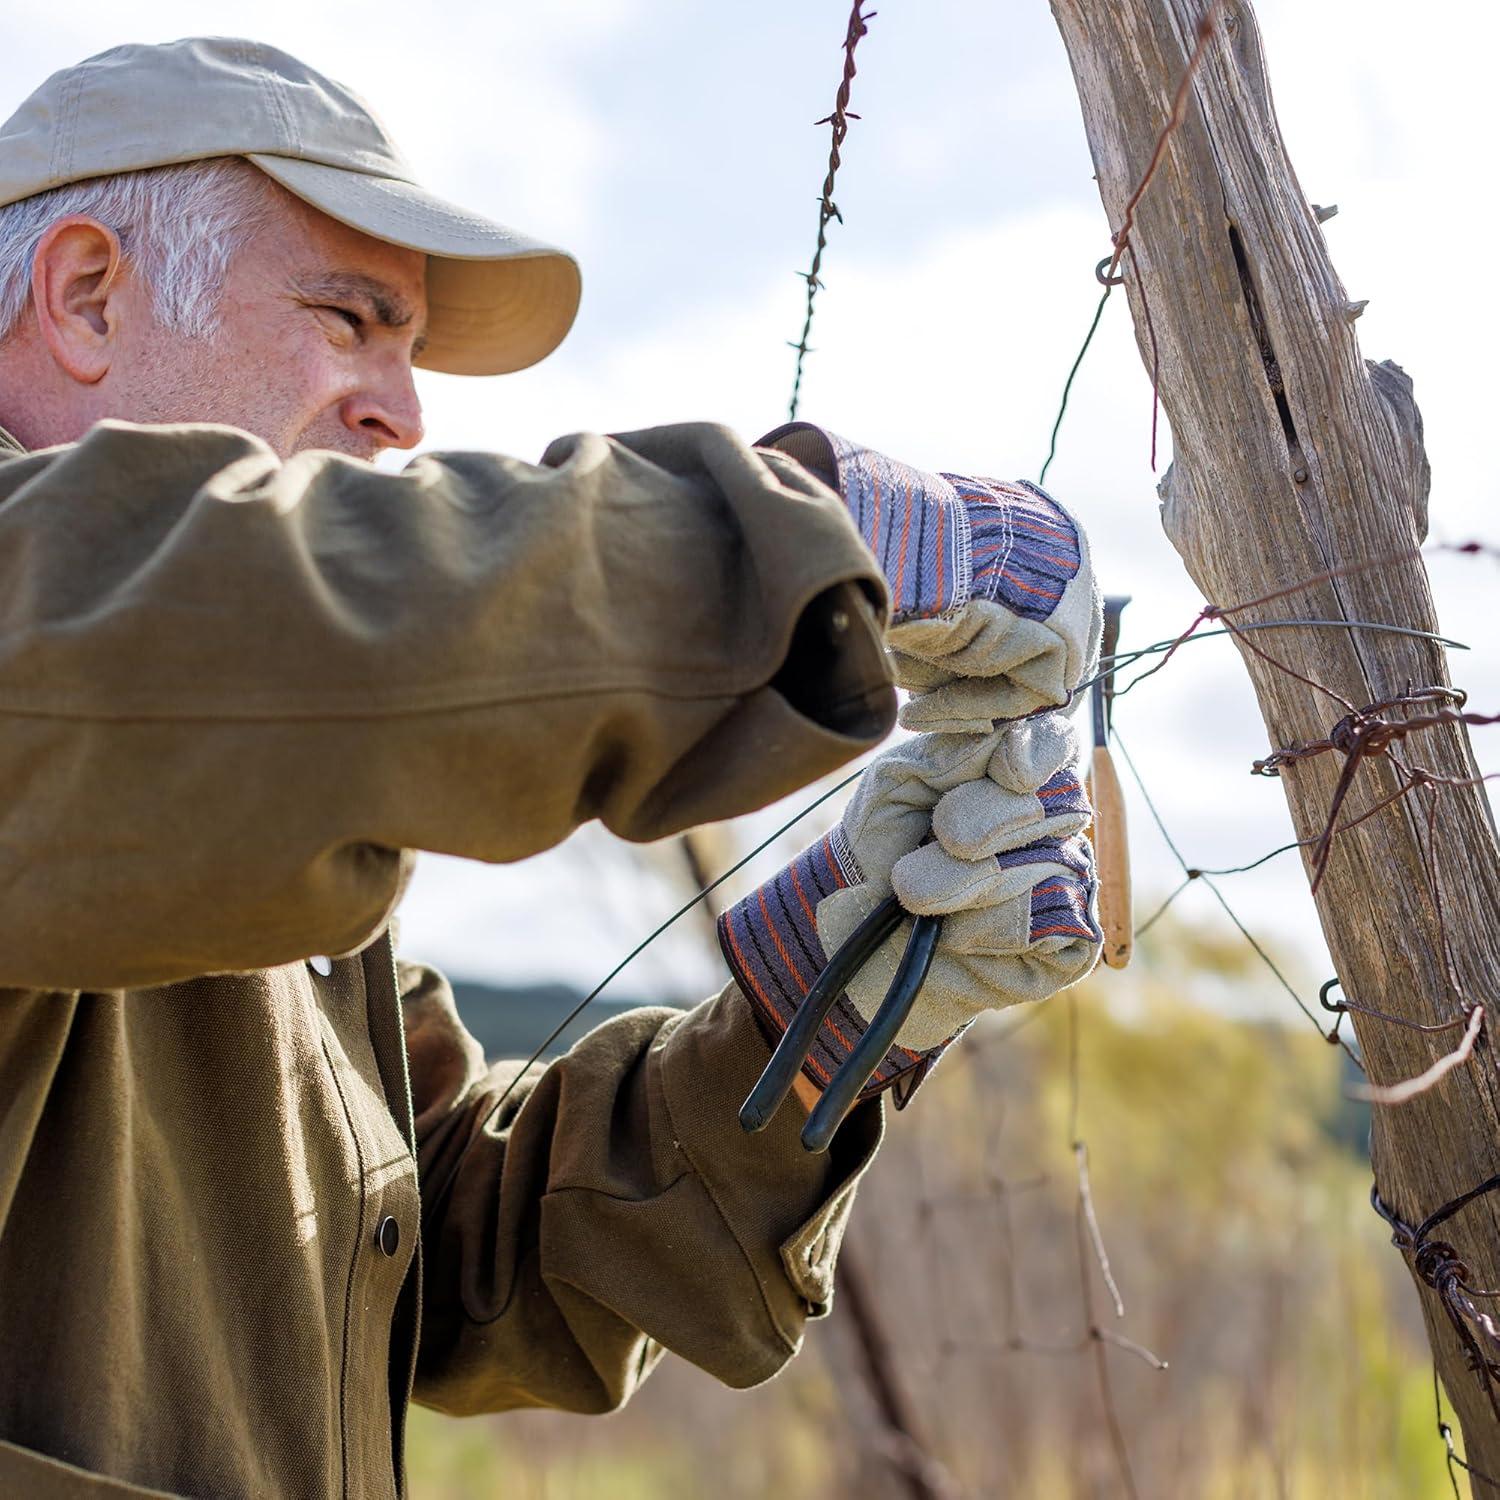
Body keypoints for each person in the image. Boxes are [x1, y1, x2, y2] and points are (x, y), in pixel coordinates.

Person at [0, 38, 1103, 1499]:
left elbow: (436, 1244)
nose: (406, 412)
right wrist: (824, 541)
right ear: (85, 295)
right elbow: (322, 614)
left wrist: (837, 1003)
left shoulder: (201, 787)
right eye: (347, 320)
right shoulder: (126, 663)